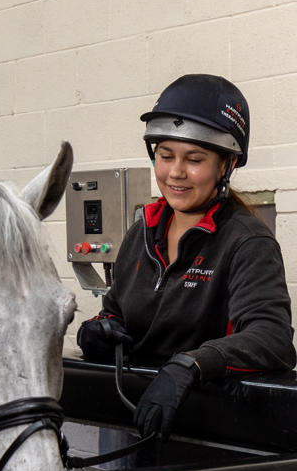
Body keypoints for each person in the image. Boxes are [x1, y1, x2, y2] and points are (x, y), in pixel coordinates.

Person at [76, 73, 296, 440]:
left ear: (226, 165)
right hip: (130, 419)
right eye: (166, 156)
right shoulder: (141, 233)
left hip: (204, 436)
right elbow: (115, 312)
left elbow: (272, 339)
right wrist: (98, 331)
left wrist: (193, 363)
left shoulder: (246, 242)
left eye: (194, 159)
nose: (176, 172)